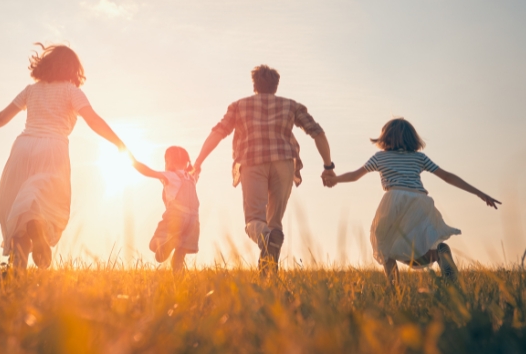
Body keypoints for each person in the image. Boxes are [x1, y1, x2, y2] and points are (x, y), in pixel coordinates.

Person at [0, 44, 125, 269]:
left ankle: (17, 270)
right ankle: (37, 226)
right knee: (43, 202)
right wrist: (119, 143)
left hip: (22, 148)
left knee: (17, 208)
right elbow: (93, 120)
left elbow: (2, 118)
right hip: (53, 148)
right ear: (73, 69)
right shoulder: (72, 92)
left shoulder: (31, 90)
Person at [192, 65, 335, 273]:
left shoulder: (239, 106)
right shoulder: (292, 106)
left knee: (254, 220)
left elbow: (218, 133)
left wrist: (198, 162)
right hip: (284, 162)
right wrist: (328, 166)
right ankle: (268, 272)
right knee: (274, 220)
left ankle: (266, 242)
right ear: (276, 86)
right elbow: (318, 133)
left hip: (252, 161)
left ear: (254, 85)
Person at [324, 118, 500, 286]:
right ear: (412, 138)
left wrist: (335, 179)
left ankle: (394, 289)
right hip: (420, 201)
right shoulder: (419, 158)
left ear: (386, 137)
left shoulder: (380, 157)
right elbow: (447, 176)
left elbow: (355, 176)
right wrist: (479, 193)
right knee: (416, 245)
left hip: (394, 199)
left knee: (384, 243)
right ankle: (439, 255)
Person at [131, 146, 200, 272]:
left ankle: (171, 241)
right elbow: (197, 171)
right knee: (181, 252)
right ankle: (178, 281)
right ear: (186, 163)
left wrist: (132, 160)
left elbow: (148, 172)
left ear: (170, 162)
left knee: (154, 245)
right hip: (193, 221)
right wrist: (197, 165)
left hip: (176, 216)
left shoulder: (170, 175)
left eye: (166, 161)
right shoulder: (191, 178)